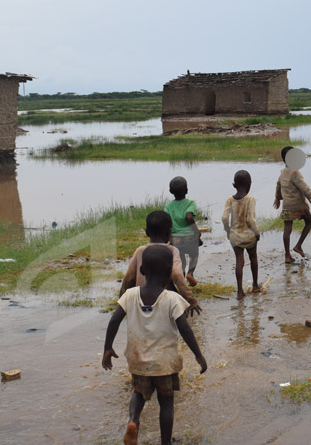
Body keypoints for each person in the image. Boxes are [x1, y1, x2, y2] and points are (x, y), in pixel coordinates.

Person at [103, 246, 207, 445]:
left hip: (138, 360)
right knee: (166, 402)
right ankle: (165, 442)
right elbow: (185, 329)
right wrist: (198, 355)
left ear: (142, 271)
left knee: (138, 394)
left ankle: (133, 421)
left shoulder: (130, 295)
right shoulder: (173, 299)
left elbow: (114, 321)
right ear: (169, 273)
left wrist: (107, 348)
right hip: (165, 364)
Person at [119, 210, 201, 316]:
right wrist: (191, 299)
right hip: (164, 301)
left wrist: (122, 302)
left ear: (146, 232)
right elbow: (177, 275)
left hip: (142, 302)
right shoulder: (172, 251)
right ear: (169, 232)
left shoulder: (140, 251)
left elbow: (129, 278)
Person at [273, 146, 311, 263]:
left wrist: (277, 198)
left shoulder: (283, 171)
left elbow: (278, 185)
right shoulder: (295, 172)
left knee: (287, 229)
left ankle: (287, 256)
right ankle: (298, 246)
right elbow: (305, 189)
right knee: (309, 222)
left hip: (287, 206)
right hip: (298, 205)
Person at [222, 170, 261, 300]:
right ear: (249, 185)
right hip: (249, 236)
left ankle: (239, 291)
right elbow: (250, 220)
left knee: (239, 260)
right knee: (253, 258)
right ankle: (255, 285)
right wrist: (257, 233)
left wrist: (227, 230)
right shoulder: (250, 199)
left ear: (234, 185)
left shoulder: (229, 200)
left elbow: (224, 217)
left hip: (235, 237)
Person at [165, 176, 202, 286]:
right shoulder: (190, 203)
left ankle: (182, 276)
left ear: (171, 191)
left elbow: (167, 221)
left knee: (181, 259)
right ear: (186, 190)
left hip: (175, 239)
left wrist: (169, 237)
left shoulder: (168, 206)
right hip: (190, 237)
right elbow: (189, 217)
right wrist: (197, 232)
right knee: (194, 255)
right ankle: (190, 273)